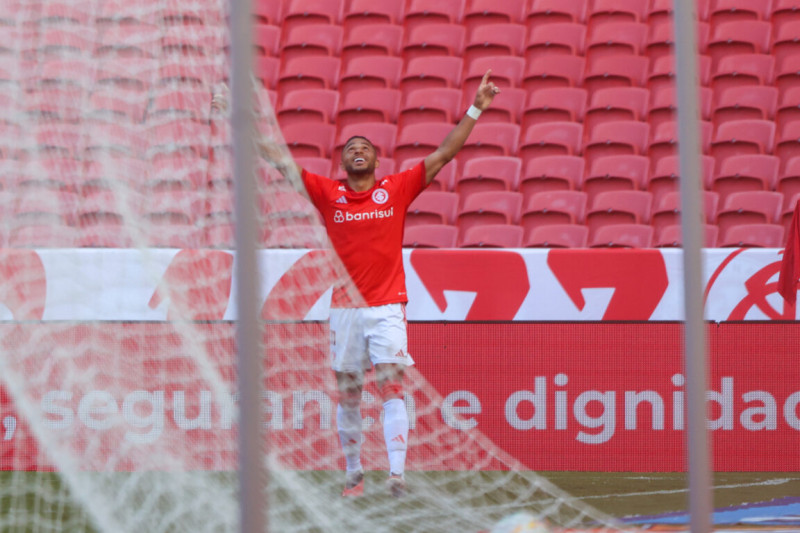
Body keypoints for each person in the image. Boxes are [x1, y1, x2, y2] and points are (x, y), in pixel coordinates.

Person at [214, 70, 500, 498]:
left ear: (378, 161)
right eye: (351, 148)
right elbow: (277, 157)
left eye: (365, 147)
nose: (358, 151)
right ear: (343, 163)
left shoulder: (396, 189)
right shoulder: (328, 194)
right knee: (348, 394)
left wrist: (477, 107)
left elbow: (442, 154)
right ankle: (353, 472)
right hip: (344, 311)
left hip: (387, 307)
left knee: (392, 385)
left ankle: (397, 476)